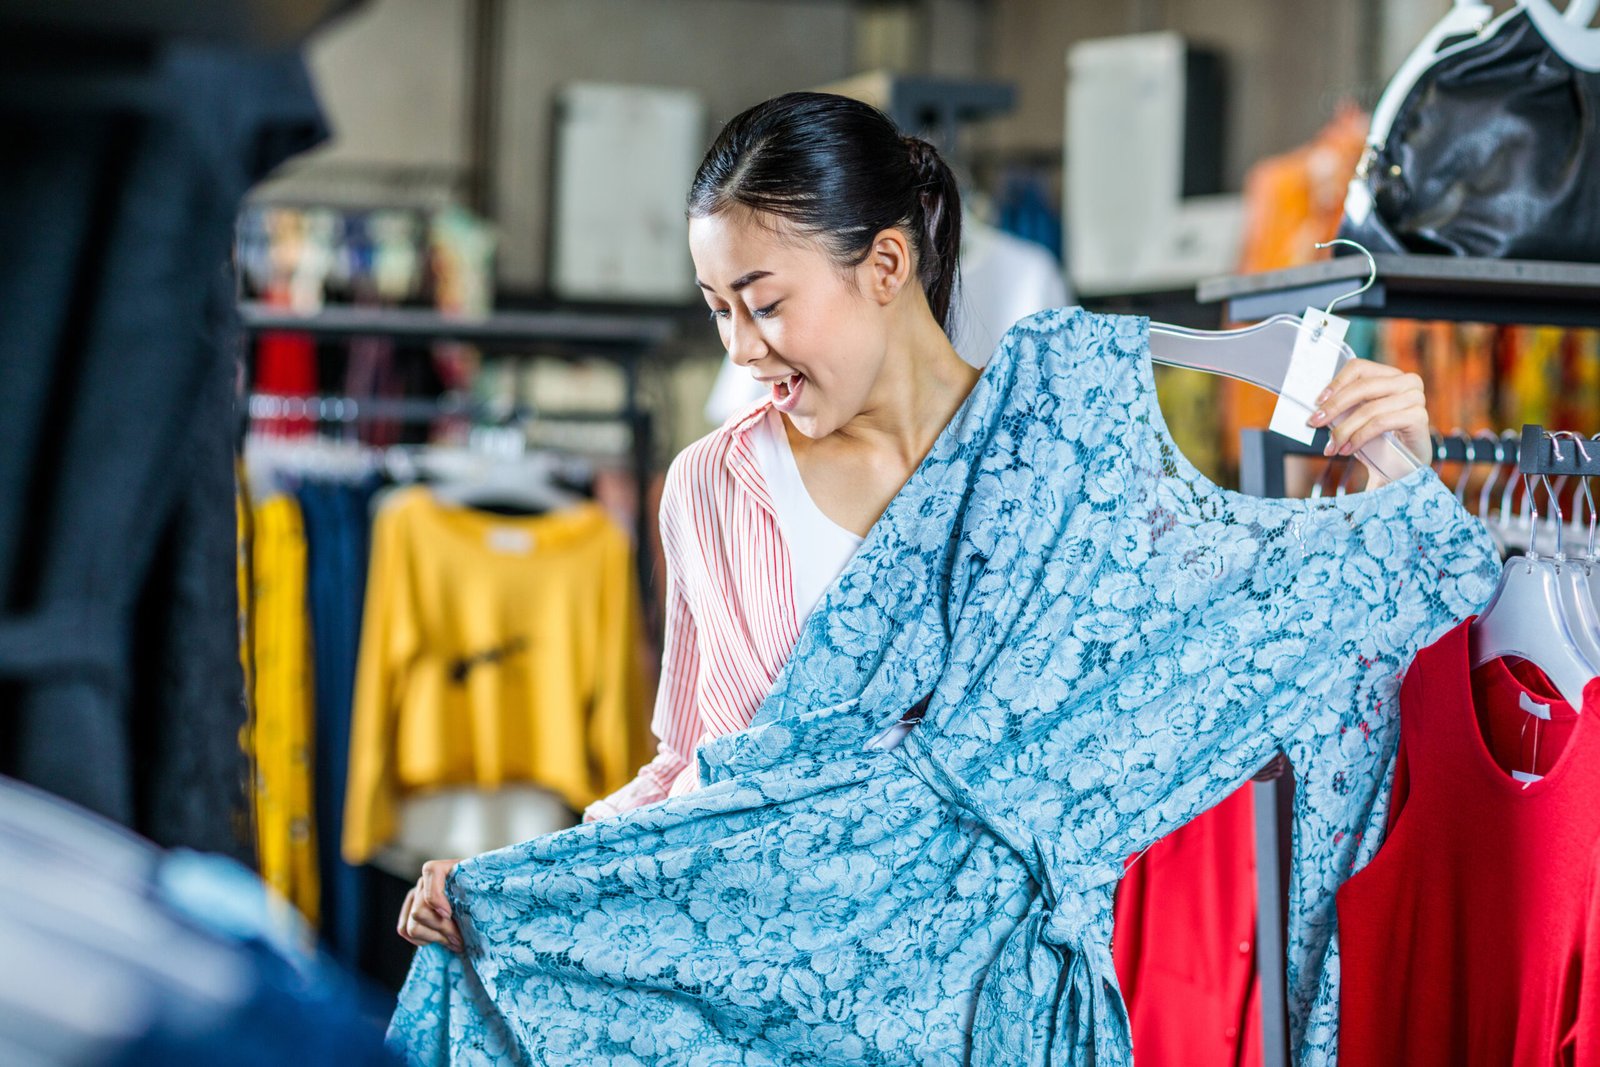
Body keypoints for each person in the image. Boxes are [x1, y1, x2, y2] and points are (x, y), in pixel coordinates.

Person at [393, 90, 1430, 961]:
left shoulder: (1061, 452)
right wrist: (517, 883)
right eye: (716, 307)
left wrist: (1399, 480)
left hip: (1007, 998)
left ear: (885, 265)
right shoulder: (715, 485)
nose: (742, 350)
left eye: (763, 302)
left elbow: (1236, 681)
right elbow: (694, 772)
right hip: (781, 990)